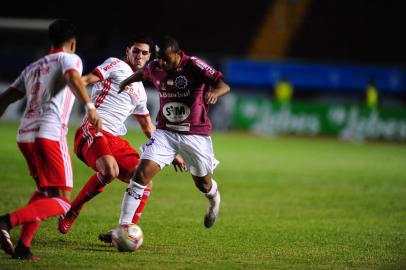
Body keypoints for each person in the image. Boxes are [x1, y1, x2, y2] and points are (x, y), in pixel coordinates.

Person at [57, 36, 186, 241]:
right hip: (93, 130)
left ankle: (125, 229)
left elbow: (147, 126)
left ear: (150, 57)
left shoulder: (141, 92)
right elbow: (88, 79)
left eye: (144, 53)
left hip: (114, 139)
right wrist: (64, 89)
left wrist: (172, 153)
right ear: (128, 51)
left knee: (144, 178)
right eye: (136, 51)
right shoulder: (115, 64)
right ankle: (72, 211)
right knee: (110, 170)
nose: (139, 56)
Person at [0, 19, 102, 260]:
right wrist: (90, 107)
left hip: (25, 136)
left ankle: (23, 248)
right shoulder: (69, 58)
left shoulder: (32, 67)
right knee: (64, 202)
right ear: (72, 43)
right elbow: (74, 78)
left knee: (45, 192)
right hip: (50, 133)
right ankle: (5, 221)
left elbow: (6, 98)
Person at [116, 35, 230, 231]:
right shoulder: (156, 66)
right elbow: (143, 73)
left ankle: (214, 201)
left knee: (202, 183)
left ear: (178, 54)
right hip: (165, 133)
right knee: (140, 175)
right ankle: (124, 227)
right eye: (159, 58)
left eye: (166, 59)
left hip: (194, 134)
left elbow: (223, 85)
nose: (162, 63)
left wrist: (214, 93)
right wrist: (125, 82)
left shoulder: (194, 65)